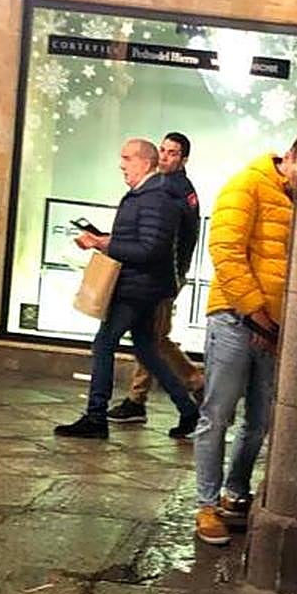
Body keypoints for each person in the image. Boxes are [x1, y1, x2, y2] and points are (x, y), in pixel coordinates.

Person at [54, 138, 200, 440]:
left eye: (127, 158)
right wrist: (103, 239)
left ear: (145, 163)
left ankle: (96, 416)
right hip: (143, 286)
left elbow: (151, 249)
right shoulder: (147, 194)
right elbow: (142, 239)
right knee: (147, 350)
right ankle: (188, 411)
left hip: (139, 289)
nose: (121, 164)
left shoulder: (156, 197)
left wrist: (105, 243)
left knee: (104, 343)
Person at [194, 141, 297, 545]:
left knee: (259, 419)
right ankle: (206, 504)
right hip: (236, 320)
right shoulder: (247, 184)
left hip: (272, 328)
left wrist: (276, 323)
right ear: (289, 158)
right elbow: (225, 251)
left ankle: (234, 492)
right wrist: (256, 312)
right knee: (218, 413)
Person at [109, 131, 205, 435]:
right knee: (150, 337)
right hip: (165, 275)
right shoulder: (169, 187)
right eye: (163, 150)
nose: (165, 156)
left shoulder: (174, 190)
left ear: (184, 158)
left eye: (173, 153)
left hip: (164, 277)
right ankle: (138, 399)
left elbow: (172, 240)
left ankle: (193, 382)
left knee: (154, 339)